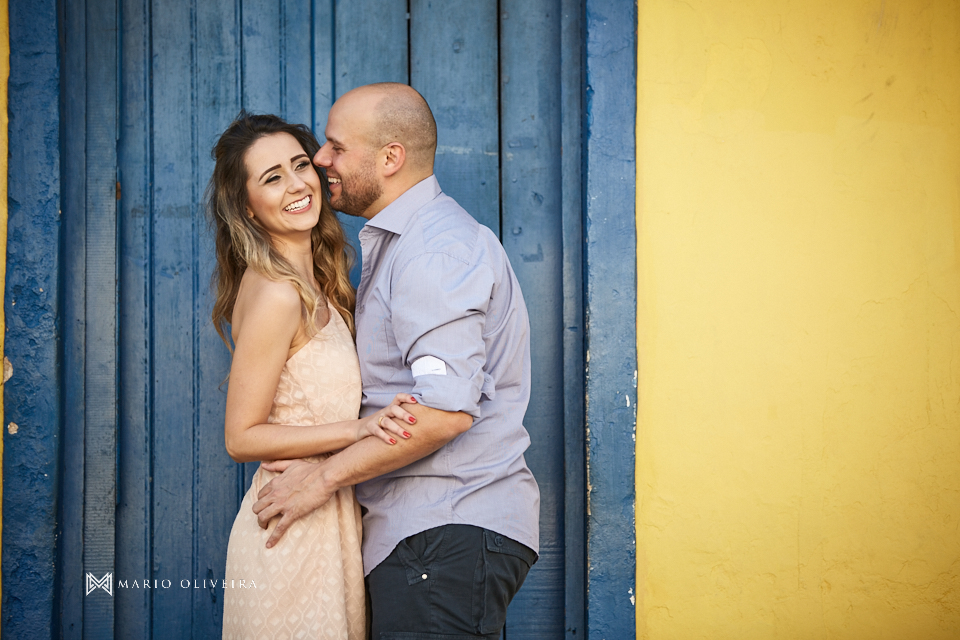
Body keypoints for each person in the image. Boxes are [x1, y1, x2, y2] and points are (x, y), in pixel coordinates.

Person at [252, 83, 540, 638]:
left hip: (445, 532)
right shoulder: (400, 243)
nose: (320, 160)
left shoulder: (432, 251)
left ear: (390, 159)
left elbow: (445, 410)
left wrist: (321, 480)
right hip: (427, 539)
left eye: (336, 147)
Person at [208, 112, 419, 640]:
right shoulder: (277, 294)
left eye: (300, 165)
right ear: (246, 206)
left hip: (328, 521)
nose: (297, 184)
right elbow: (241, 436)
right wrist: (359, 429)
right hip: (289, 533)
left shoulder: (319, 282)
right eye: (272, 177)